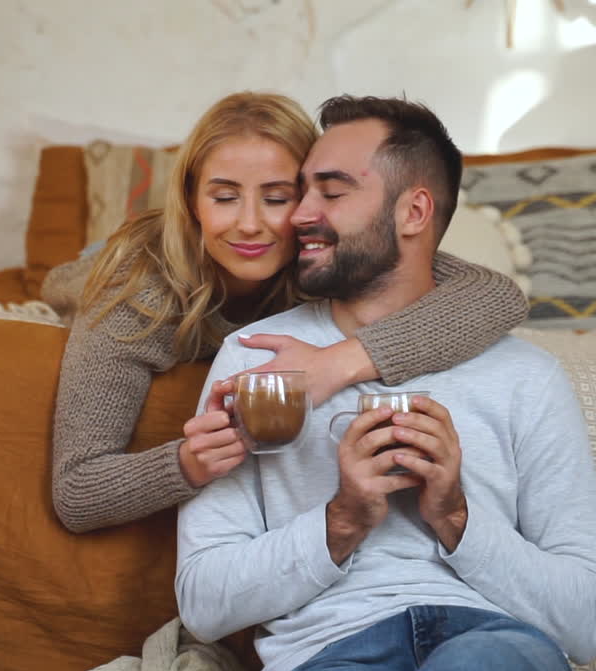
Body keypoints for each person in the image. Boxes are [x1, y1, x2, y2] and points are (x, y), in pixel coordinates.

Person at [175, 95, 596, 671]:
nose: (298, 215)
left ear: (414, 211)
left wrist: (455, 514)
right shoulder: (254, 361)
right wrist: (343, 520)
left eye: (331, 192)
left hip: (494, 639)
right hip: (327, 657)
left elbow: (588, 622)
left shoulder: (526, 377)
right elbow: (203, 602)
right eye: (301, 192)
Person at [45, 91, 530, 533]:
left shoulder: (320, 252)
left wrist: (337, 363)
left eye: (277, 198)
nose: (250, 224)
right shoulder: (137, 295)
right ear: (192, 203)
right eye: (224, 197)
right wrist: (187, 463)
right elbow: (76, 492)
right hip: (98, 270)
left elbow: (497, 294)